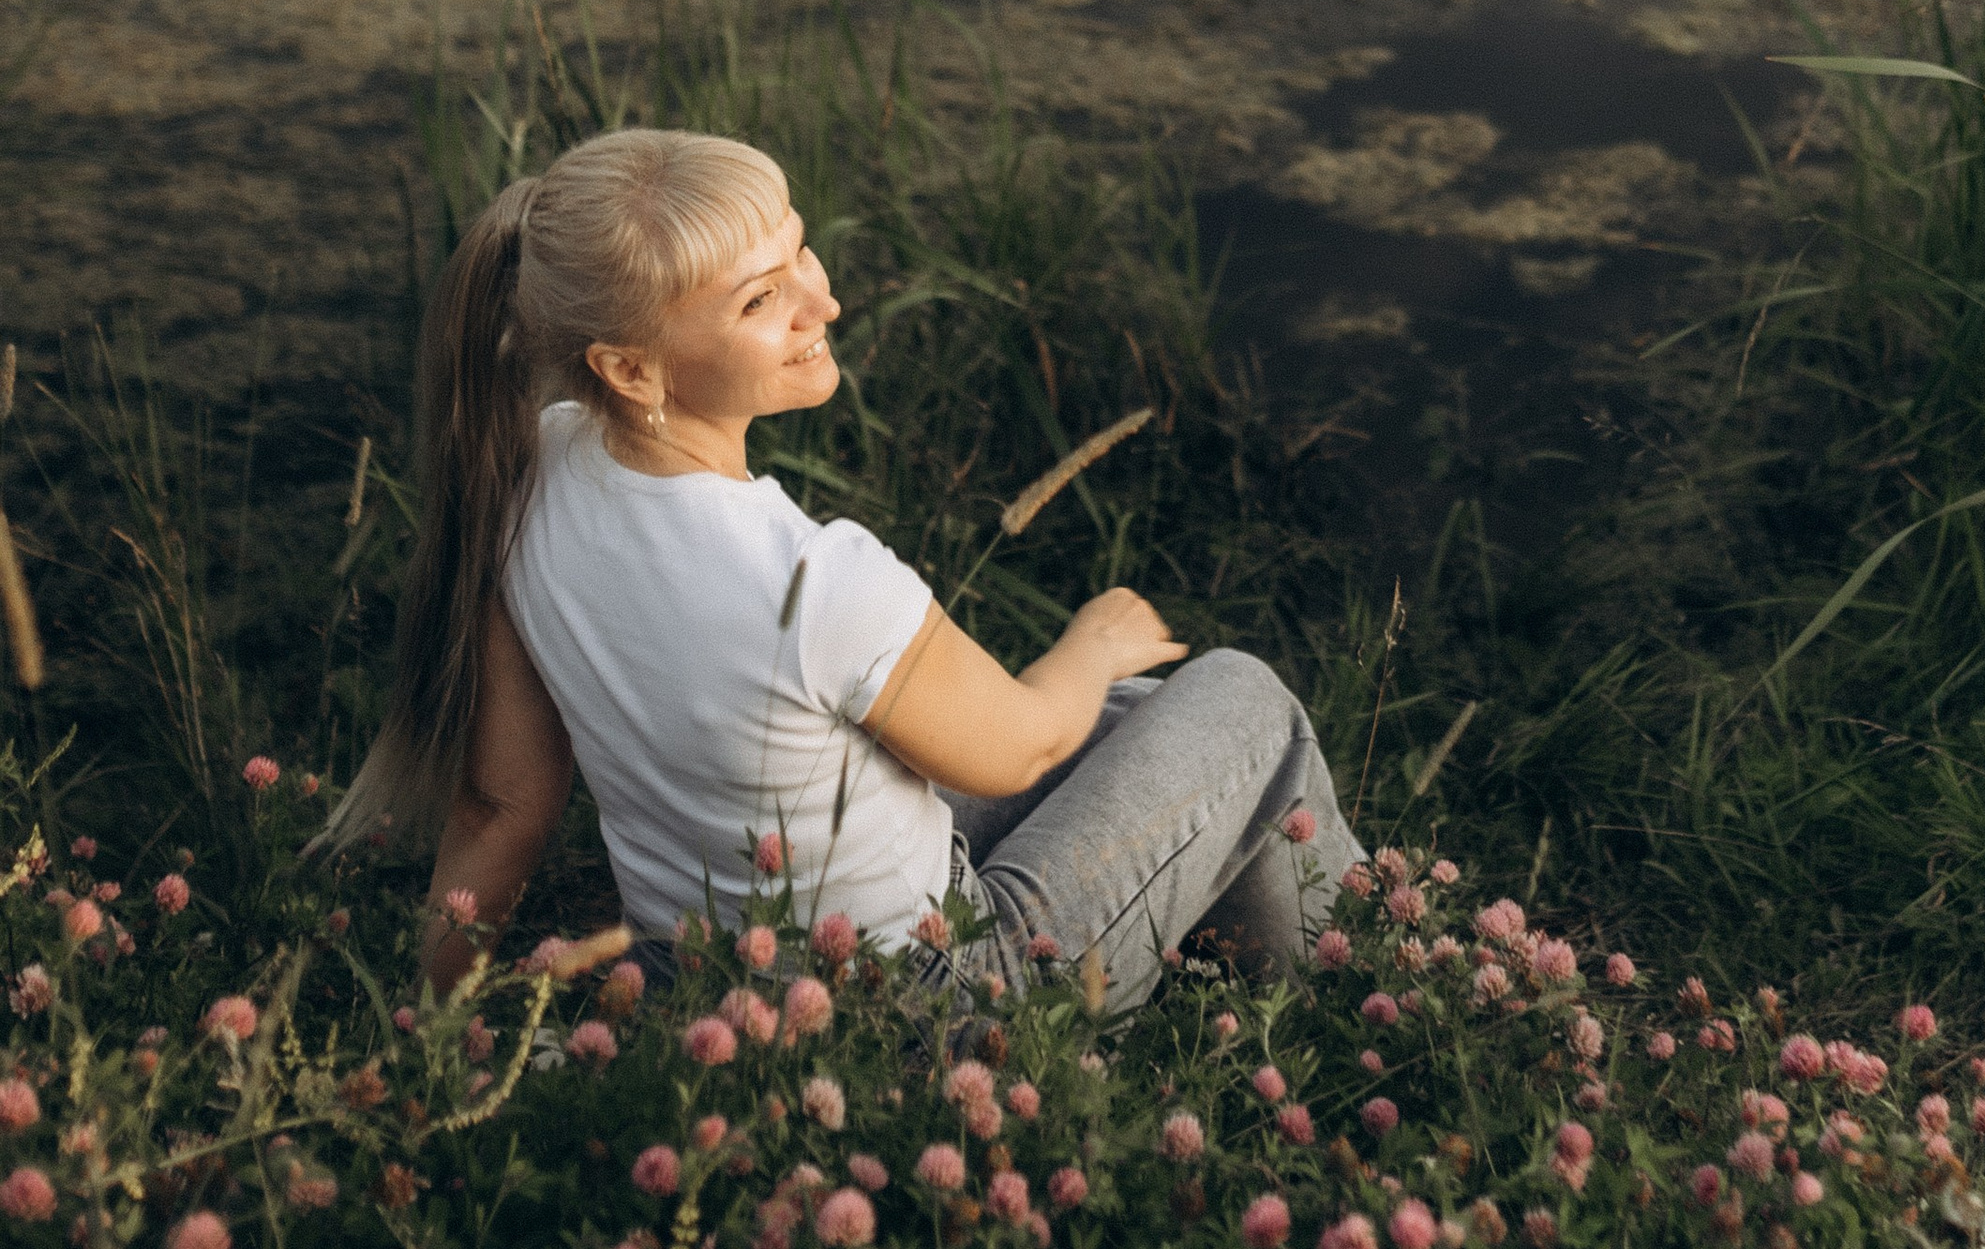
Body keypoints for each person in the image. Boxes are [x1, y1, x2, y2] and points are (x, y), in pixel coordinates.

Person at [322, 127, 1360, 1003]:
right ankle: (1376, 992)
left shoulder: (530, 473)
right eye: (759, 300)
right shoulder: (815, 579)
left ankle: (1269, 971)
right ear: (630, 368)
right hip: (922, 1009)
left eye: (800, 255)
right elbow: (1019, 750)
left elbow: (501, 809)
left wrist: (431, 1038)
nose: (820, 304)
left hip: (700, 991)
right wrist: (1089, 643)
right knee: (1238, 702)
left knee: (1139, 719)